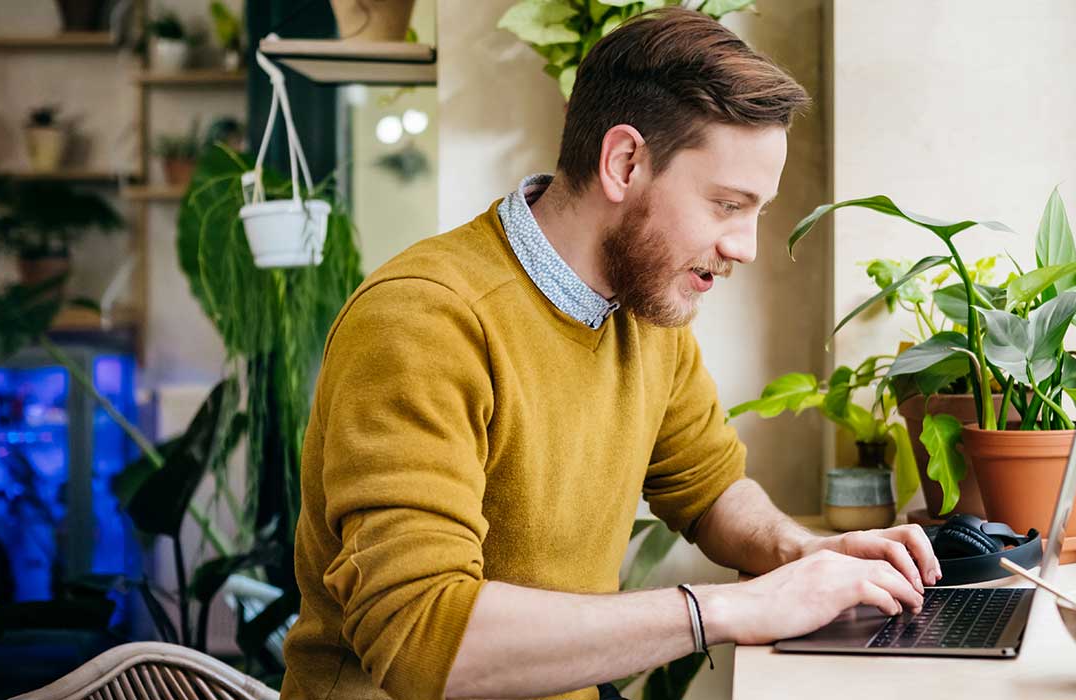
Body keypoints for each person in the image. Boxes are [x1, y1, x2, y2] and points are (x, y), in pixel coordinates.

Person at [280, 8, 940, 700]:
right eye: (726, 204)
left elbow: (710, 489)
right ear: (624, 162)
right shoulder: (424, 319)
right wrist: (732, 608)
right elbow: (421, 638)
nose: (745, 245)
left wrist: (804, 553)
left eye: (757, 212)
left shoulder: (646, 303)